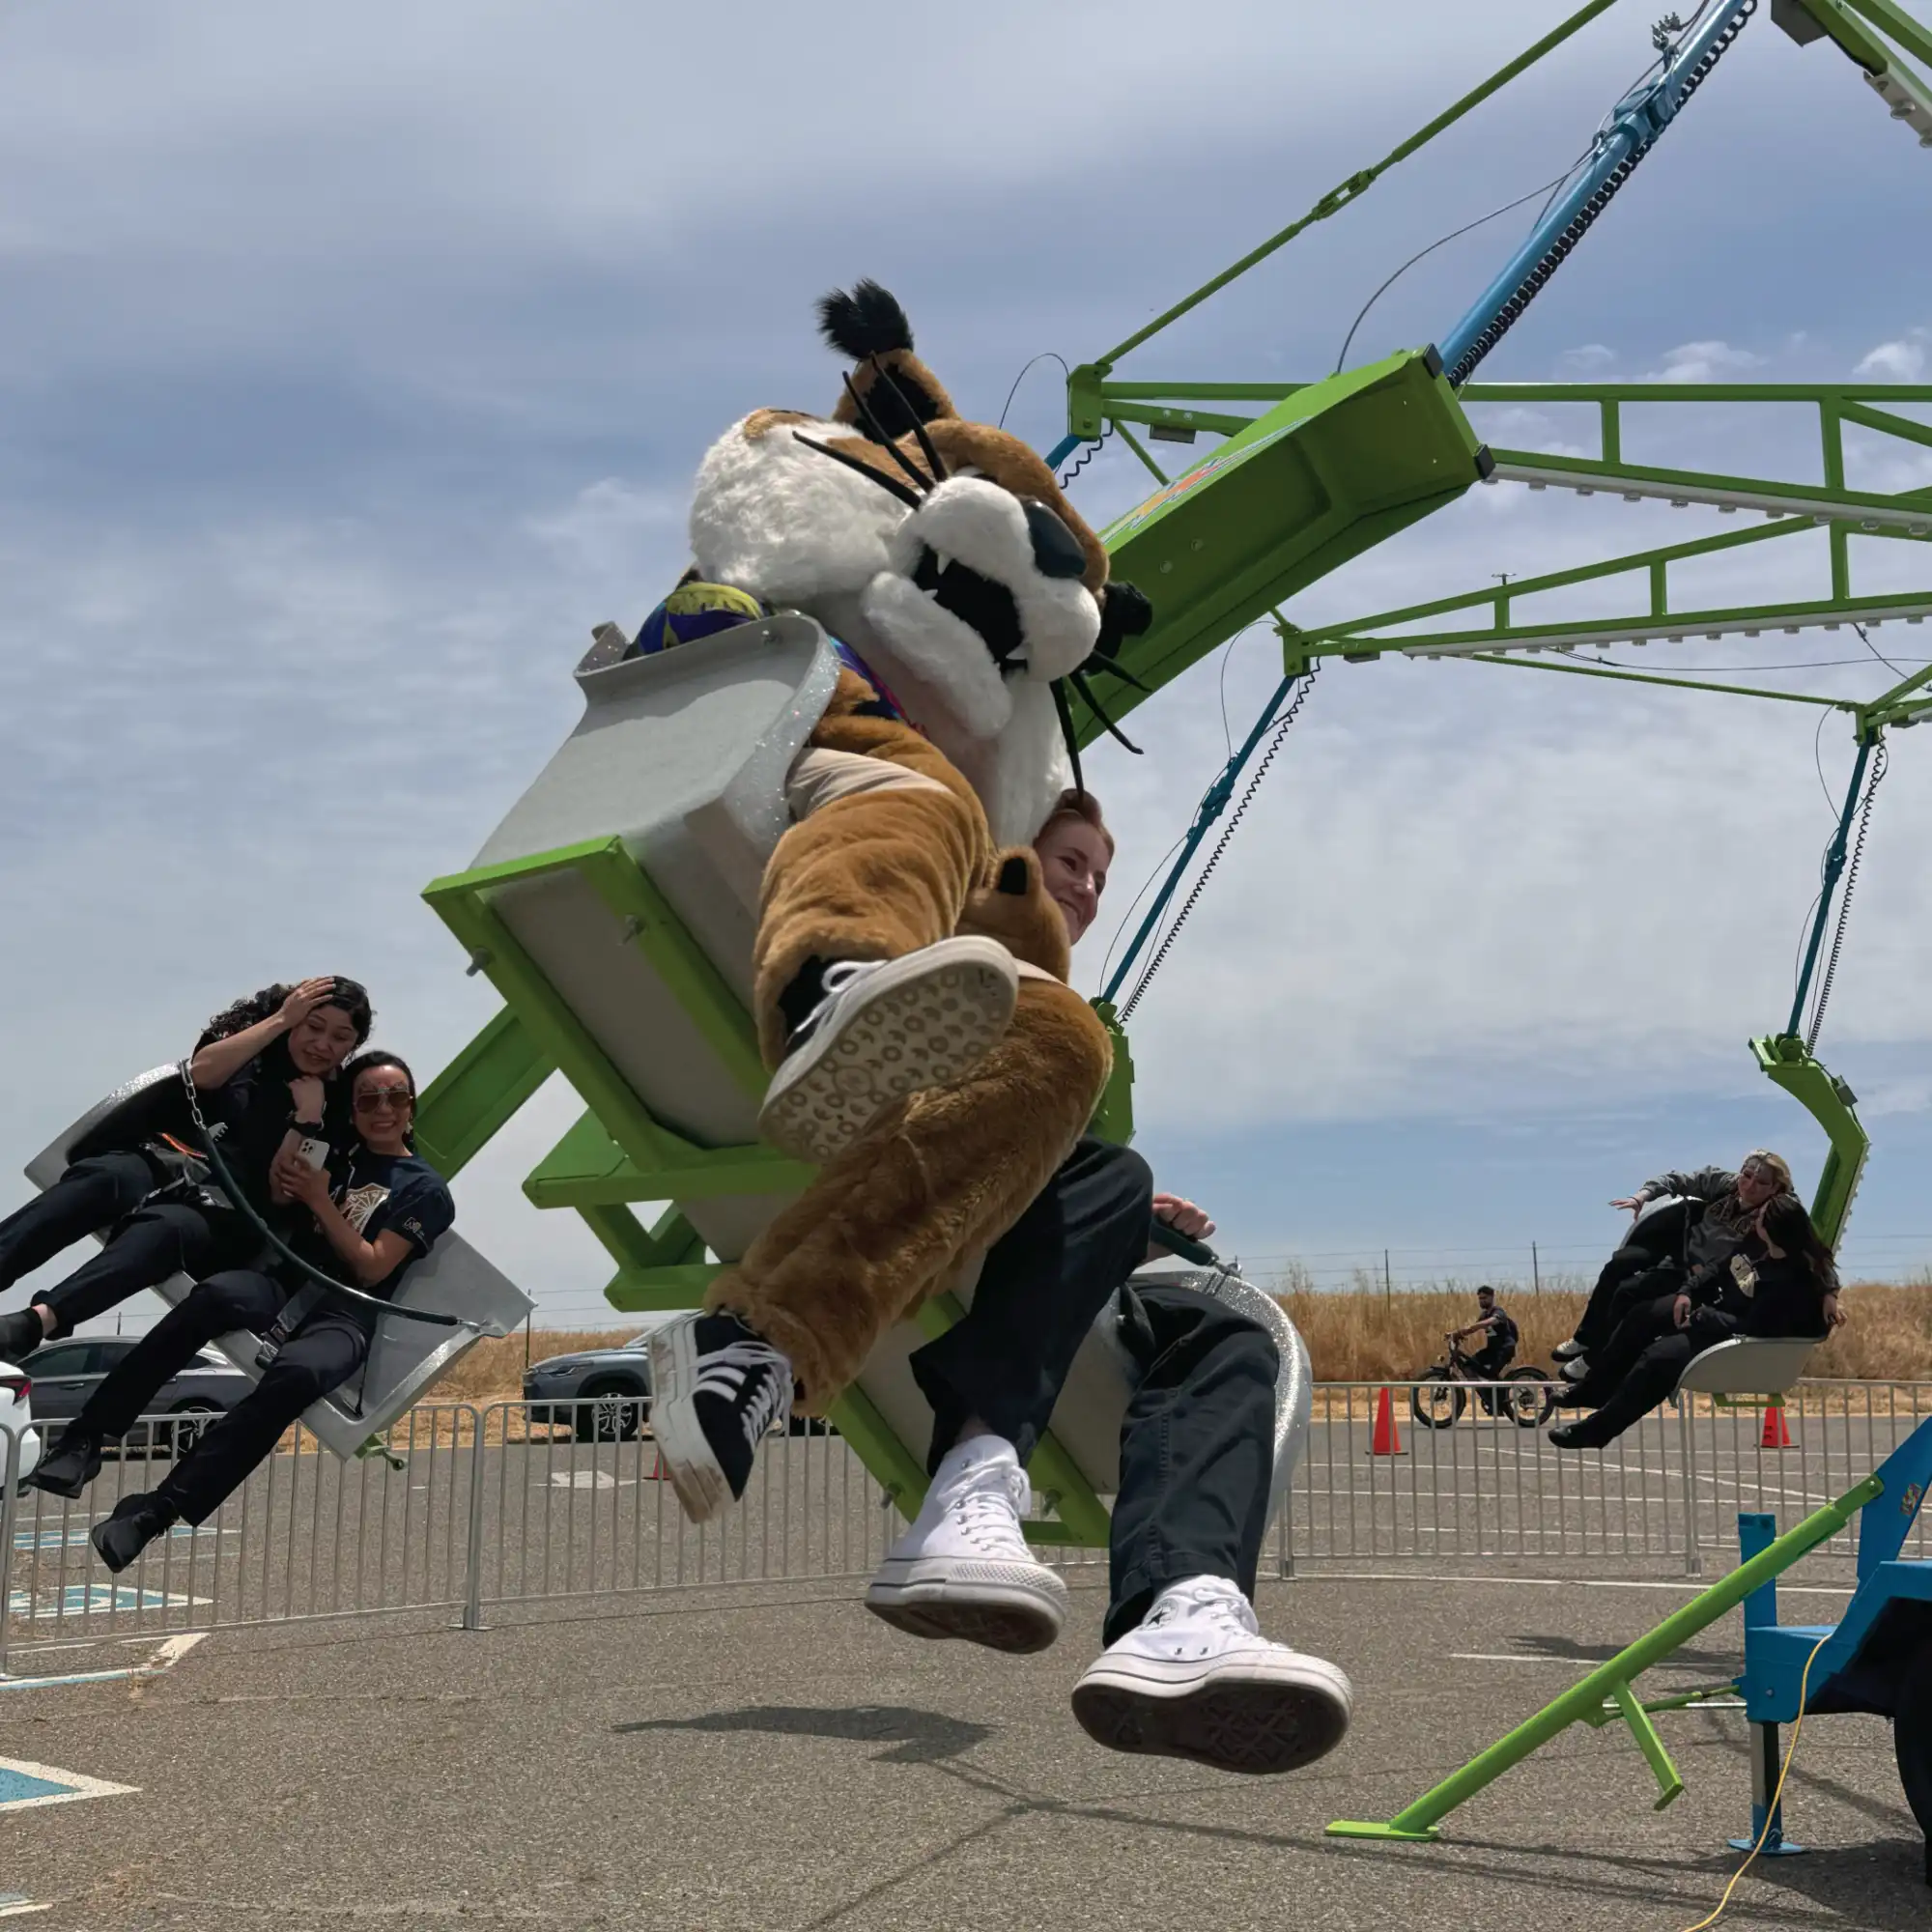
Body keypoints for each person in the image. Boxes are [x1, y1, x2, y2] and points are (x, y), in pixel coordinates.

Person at [858, 791, 1353, 1775]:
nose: (1084, 886)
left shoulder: (1060, 1013)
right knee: (1109, 1173)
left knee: (1231, 1338)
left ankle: (1180, 1608)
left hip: (1032, 1226)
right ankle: (973, 1472)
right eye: (1067, 859)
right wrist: (1096, 1179)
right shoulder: (950, 958)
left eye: (1095, 873)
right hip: (933, 1189)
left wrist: (1128, 1217)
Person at [36, 1052, 454, 1572]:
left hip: (345, 1313)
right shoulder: (338, 1153)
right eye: (368, 1098)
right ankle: (87, 1438)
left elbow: (372, 1267)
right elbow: (281, 1192)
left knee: (298, 1374)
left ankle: (156, 1512)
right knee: (214, 1297)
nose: (382, 1108)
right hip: (282, 1283)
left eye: (395, 1097)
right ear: (354, 1107)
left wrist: (322, 1201)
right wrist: (305, 1127)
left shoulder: (426, 1190)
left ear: (411, 1107)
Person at [0, 979, 372, 1363]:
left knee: (165, 1229)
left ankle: (35, 1323)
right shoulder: (251, 1045)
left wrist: (307, 1120)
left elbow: (282, 1191)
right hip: (167, 1160)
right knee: (105, 1179)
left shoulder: (337, 1105)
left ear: (352, 1046)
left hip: (228, 1210)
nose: (323, 1044)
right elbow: (200, 1074)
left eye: (340, 1037)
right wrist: (280, 1020)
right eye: (313, 1027)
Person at [1548, 1192, 1843, 1450]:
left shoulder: (1790, 1282)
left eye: (1763, 1216)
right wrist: (1687, 1292)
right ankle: (1594, 1389)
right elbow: (1720, 1266)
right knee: (1641, 1316)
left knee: (1657, 1359)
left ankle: (1596, 1431)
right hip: (1714, 1310)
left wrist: (1701, 1318)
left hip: (1731, 1338)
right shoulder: (1757, 1244)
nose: (1757, 1216)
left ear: (1775, 1228)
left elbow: (1752, 1324)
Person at [1553, 1151, 1796, 1378]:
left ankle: (1594, 1360)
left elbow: (1808, 1248)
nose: (1749, 1186)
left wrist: (1828, 1291)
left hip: (1712, 1282)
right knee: (1618, 1266)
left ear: (1776, 1187)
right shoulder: (1726, 1184)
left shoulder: (1779, 1213)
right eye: (1747, 1175)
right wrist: (1642, 1196)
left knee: (1630, 1294)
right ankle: (1586, 1338)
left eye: (1761, 1183)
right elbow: (1676, 1179)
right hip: (1683, 1258)